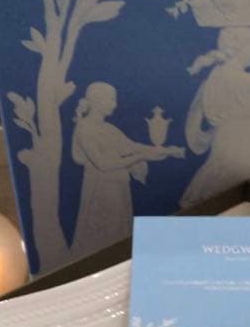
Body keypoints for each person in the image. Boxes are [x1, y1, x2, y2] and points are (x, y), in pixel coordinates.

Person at [180, 19, 250, 207]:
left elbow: (195, 118)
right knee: (241, 203)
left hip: (226, 143)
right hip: (246, 147)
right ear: (240, 48)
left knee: (224, 200)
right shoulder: (238, 79)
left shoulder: (213, 80)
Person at [71, 82, 184, 253]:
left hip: (118, 187)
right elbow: (103, 164)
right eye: (111, 99)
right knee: (104, 238)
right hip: (101, 191)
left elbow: (131, 146)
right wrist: (141, 157)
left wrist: (166, 150)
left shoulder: (108, 128)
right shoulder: (85, 129)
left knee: (119, 234)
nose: (115, 104)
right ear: (98, 100)